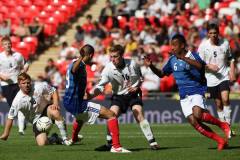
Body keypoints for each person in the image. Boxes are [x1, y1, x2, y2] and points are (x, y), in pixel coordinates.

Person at [144, 34, 230, 151]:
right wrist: (151, 66)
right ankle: (220, 141)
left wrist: (183, 58)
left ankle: (222, 124)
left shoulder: (192, 55)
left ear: (182, 45)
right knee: (194, 122)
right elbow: (161, 74)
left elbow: (200, 67)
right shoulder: (172, 60)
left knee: (198, 114)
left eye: (175, 45)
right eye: (171, 45)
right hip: (183, 95)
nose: (172, 48)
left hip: (196, 89)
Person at [79, 44, 160, 151]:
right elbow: (100, 86)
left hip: (133, 94)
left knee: (138, 114)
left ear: (122, 55)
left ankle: (152, 142)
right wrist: (90, 95)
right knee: (111, 115)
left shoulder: (132, 64)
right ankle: (109, 144)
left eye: (115, 56)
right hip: (118, 95)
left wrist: (137, 87)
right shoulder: (108, 69)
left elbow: (140, 78)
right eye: (111, 56)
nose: (113, 59)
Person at [63, 44, 130, 153]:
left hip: (70, 101)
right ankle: (116, 147)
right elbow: (73, 71)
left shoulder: (76, 62)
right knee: (111, 115)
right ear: (90, 55)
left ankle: (73, 139)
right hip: (76, 103)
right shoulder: (78, 64)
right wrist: (81, 57)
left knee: (80, 118)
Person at [0, 73, 72, 146]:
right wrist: (6, 134)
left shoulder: (38, 86)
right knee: (42, 143)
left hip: (46, 109)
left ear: (30, 82)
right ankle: (54, 138)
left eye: (28, 82)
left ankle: (65, 138)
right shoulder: (17, 101)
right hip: (36, 120)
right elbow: (10, 118)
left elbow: (53, 90)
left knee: (55, 112)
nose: (26, 85)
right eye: (23, 83)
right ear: (19, 85)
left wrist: (55, 103)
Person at [197, 23, 236, 137]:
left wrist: (232, 71)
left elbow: (231, 59)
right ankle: (226, 128)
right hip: (210, 79)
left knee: (225, 99)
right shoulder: (203, 46)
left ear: (218, 33)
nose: (213, 35)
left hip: (223, 76)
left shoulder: (225, 43)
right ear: (208, 34)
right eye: (211, 33)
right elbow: (199, 64)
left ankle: (228, 127)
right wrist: (209, 66)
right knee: (218, 104)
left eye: (215, 33)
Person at [0, 36, 29, 135]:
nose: (8, 45)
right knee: (13, 106)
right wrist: (1, 76)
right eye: (5, 44)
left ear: (11, 44)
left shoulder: (18, 55)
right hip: (5, 85)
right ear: (2, 46)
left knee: (19, 104)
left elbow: (25, 64)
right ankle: (23, 124)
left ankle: (21, 128)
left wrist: (24, 70)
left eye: (9, 44)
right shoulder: (0, 57)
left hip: (17, 84)